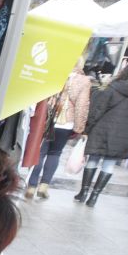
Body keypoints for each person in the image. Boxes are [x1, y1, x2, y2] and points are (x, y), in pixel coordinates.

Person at [74, 59, 128, 206]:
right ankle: (94, 197)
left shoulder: (114, 86)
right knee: (109, 164)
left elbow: (99, 109)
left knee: (93, 159)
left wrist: (88, 127)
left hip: (103, 128)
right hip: (125, 132)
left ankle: (83, 192)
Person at [25, 64, 90, 200]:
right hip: (66, 123)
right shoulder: (83, 81)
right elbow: (82, 105)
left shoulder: (53, 73)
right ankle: (44, 186)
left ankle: (31, 186)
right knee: (55, 154)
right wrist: (79, 128)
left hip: (46, 119)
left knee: (40, 152)